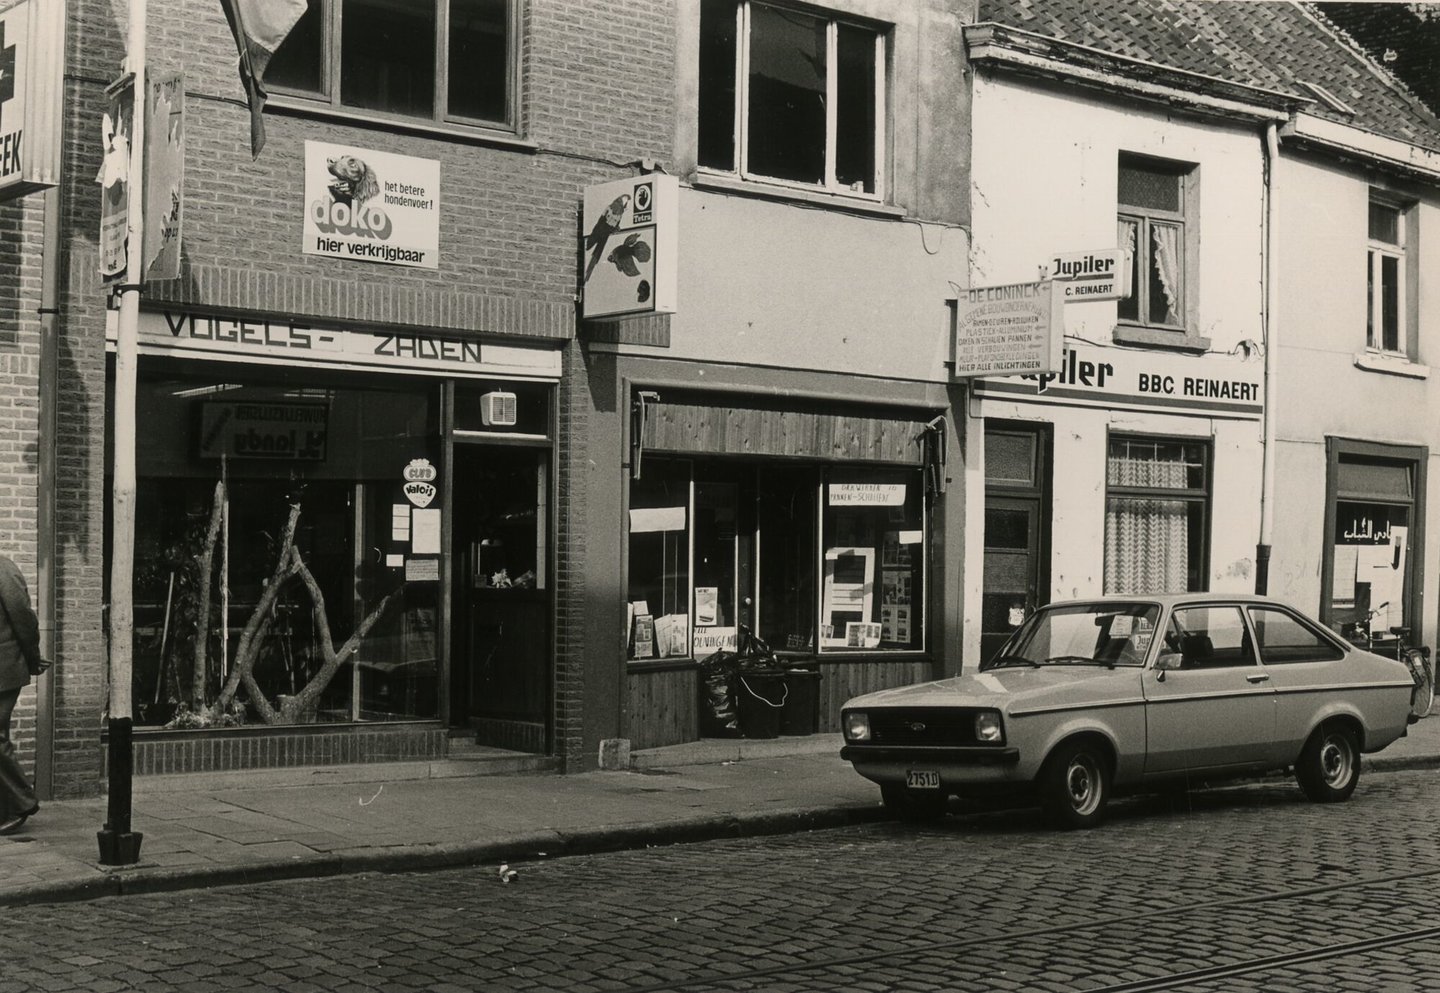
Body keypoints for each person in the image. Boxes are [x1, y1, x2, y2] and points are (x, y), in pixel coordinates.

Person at [0, 553, 47, 835]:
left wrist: (33, 658)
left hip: (4, 670)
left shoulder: (3, 568)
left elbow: (23, 619)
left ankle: (21, 803)